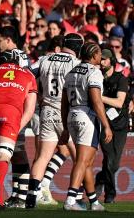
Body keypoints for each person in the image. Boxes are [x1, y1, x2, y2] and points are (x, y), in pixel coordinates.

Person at [26, 33, 84, 208]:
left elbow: (28, 75)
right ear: (78, 48)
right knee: (79, 158)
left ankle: (31, 196)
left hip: (47, 111)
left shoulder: (45, 59)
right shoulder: (77, 64)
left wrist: (38, 94)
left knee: (42, 157)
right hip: (67, 112)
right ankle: (77, 198)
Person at [0, 50, 37, 211]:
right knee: (4, 154)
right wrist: (16, 127)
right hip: (10, 114)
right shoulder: (28, 75)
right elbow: (30, 110)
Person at [61, 42, 112, 211]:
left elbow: (63, 103)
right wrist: (106, 125)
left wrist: (65, 127)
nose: (101, 57)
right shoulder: (94, 72)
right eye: (99, 53)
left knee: (87, 162)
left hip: (71, 116)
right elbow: (97, 102)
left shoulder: (71, 72)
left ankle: (94, 202)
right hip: (86, 117)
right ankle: (70, 200)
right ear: (93, 55)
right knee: (83, 160)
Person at [95, 49, 131, 203]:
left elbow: (119, 102)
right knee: (110, 158)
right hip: (104, 123)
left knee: (114, 164)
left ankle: (100, 177)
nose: (101, 62)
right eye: (100, 59)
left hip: (121, 125)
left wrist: (99, 97)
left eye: (104, 59)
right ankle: (110, 195)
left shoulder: (121, 79)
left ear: (111, 61)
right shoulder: (96, 78)